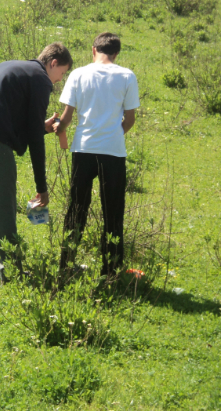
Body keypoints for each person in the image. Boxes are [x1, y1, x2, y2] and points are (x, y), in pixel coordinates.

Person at [0, 43, 73, 283]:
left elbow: (19, 121)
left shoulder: (16, 67)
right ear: (53, 64)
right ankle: (11, 269)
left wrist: (40, 128)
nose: (59, 81)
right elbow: (34, 145)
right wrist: (42, 187)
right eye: (61, 74)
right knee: (4, 204)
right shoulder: (41, 80)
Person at [54, 32, 140, 278]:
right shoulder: (127, 76)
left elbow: (67, 117)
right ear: (116, 54)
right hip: (113, 153)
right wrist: (112, 135)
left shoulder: (78, 74)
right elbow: (130, 119)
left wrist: (56, 129)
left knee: (76, 208)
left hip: (83, 149)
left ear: (93, 50)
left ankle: (66, 265)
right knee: (113, 211)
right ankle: (110, 271)